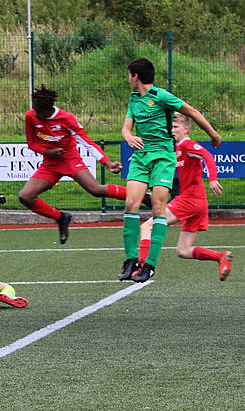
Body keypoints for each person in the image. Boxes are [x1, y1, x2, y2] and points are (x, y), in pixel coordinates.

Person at [118, 57, 222, 282]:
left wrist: (213, 134)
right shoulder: (134, 99)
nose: (128, 80)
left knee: (158, 206)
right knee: (131, 204)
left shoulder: (161, 96)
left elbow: (192, 111)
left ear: (135, 76)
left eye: (129, 75)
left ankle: (150, 265)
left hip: (163, 156)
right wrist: (129, 137)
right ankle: (131, 260)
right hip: (140, 155)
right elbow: (126, 128)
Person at [20, 85, 139, 244]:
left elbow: (87, 142)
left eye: (38, 111)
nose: (35, 113)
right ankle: (61, 217)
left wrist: (107, 163)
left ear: (49, 109)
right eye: (34, 109)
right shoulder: (31, 116)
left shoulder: (66, 118)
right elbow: (32, 144)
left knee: (96, 189)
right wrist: (47, 152)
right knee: (25, 196)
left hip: (70, 160)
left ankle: (140, 196)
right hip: (50, 164)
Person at [136, 113, 232, 281]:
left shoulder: (187, 144)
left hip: (189, 200)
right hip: (198, 203)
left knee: (147, 227)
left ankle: (142, 268)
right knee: (183, 250)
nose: (173, 130)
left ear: (186, 129)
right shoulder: (178, 148)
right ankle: (221, 256)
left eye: (176, 127)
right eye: (172, 127)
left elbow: (207, 156)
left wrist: (213, 179)